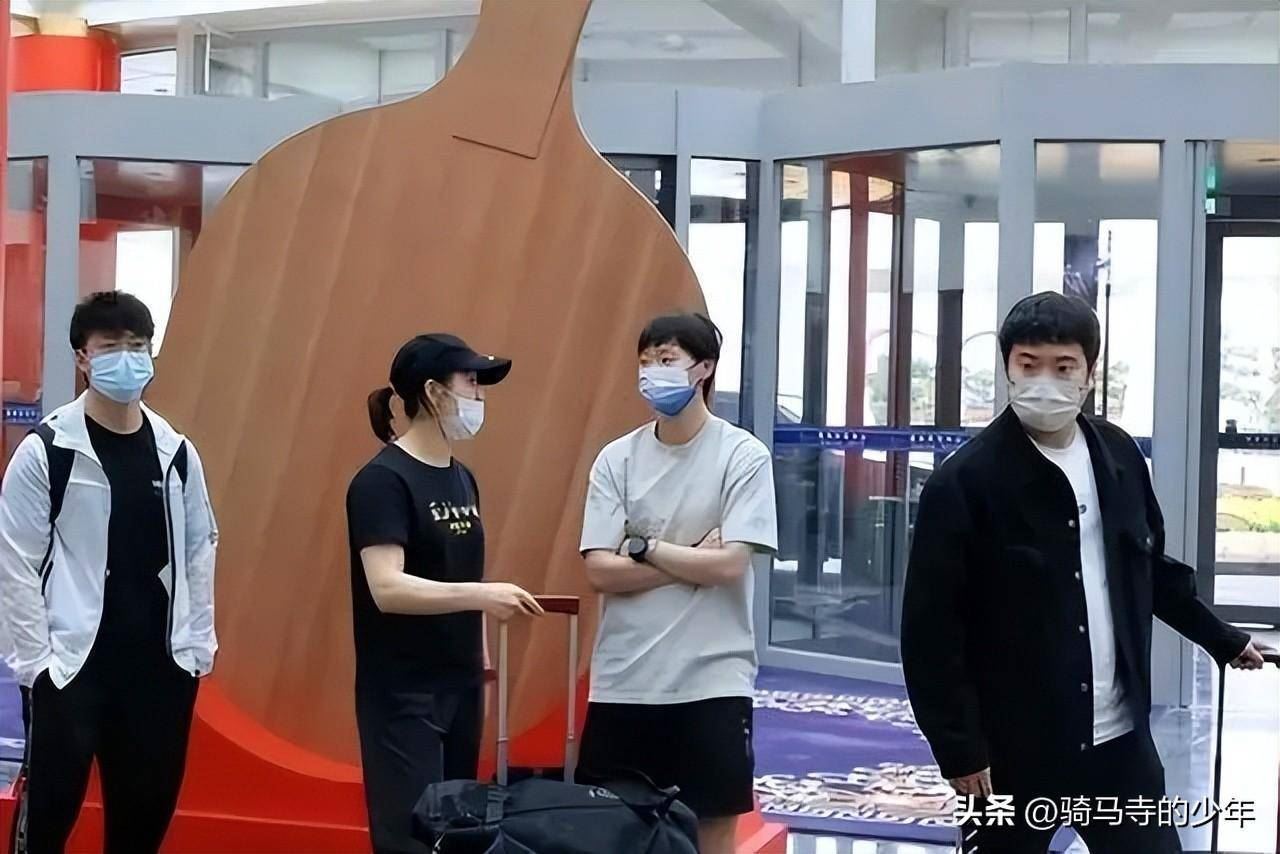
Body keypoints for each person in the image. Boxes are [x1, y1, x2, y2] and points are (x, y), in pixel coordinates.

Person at [901, 292, 1269, 854]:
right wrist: (959, 749)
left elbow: (1148, 569)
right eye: (1029, 365)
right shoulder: (965, 482)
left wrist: (1222, 638)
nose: (1045, 381)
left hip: (1119, 741)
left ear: (1089, 374)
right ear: (1007, 369)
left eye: (1064, 366)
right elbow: (931, 632)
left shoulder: (1118, 456)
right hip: (1011, 750)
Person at [0, 291, 218, 854]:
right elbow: (15, 563)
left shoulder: (175, 452)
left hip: (159, 669)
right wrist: (38, 666)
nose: (128, 358)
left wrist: (195, 649)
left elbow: (200, 548)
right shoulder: (48, 450)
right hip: (72, 668)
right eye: (112, 346)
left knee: (142, 824)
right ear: (83, 357)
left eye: (138, 346)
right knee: (47, 822)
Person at [577, 312, 778, 854]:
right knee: (614, 830)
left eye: (666, 360)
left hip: (713, 678)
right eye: (645, 362)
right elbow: (599, 570)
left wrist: (642, 548)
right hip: (625, 676)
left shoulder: (742, 455)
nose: (652, 374)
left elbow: (730, 565)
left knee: (711, 826)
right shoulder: (616, 458)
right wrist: (691, 556)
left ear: (703, 369)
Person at [347, 333, 545, 854]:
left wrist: (481, 664)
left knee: (459, 833)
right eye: (471, 383)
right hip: (403, 692)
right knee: (411, 836)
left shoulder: (462, 479)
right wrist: (483, 597)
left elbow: (464, 570)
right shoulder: (382, 481)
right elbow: (387, 587)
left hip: (461, 685)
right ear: (434, 392)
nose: (479, 396)